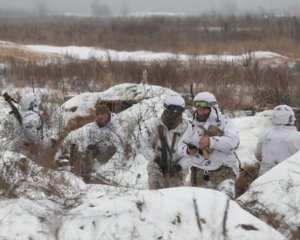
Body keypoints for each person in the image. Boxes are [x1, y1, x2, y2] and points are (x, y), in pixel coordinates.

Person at [178, 91, 240, 199]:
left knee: (226, 205)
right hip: (199, 174)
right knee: (200, 209)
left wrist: (211, 142)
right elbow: (180, 147)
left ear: (213, 109)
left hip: (223, 173)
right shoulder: (193, 125)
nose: (201, 111)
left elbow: (233, 143)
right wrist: (188, 150)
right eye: (198, 109)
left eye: (204, 108)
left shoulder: (224, 122)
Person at [55, 101, 125, 182]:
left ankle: (97, 170)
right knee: (84, 151)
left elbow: (119, 141)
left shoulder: (115, 126)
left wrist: (103, 145)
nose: (99, 116)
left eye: (102, 114)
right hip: (96, 151)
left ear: (107, 114)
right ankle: (80, 172)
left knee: (111, 149)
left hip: (108, 153)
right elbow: (87, 138)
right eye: (98, 114)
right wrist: (89, 145)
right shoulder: (93, 126)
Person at [140, 94, 190, 189]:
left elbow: (192, 154)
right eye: (171, 112)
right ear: (165, 110)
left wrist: (179, 167)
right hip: (156, 167)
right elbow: (144, 145)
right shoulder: (154, 125)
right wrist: (156, 159)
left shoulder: (187, 129)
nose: (174, 115)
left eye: (177, 113)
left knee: (176, 196)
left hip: (178, 169)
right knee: (156, 194)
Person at [255, 104, 300, 176]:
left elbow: (258, 155)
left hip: (264, 178)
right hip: (288, 179)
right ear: (292, 118)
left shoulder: (265, 135)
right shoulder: (297, 137)